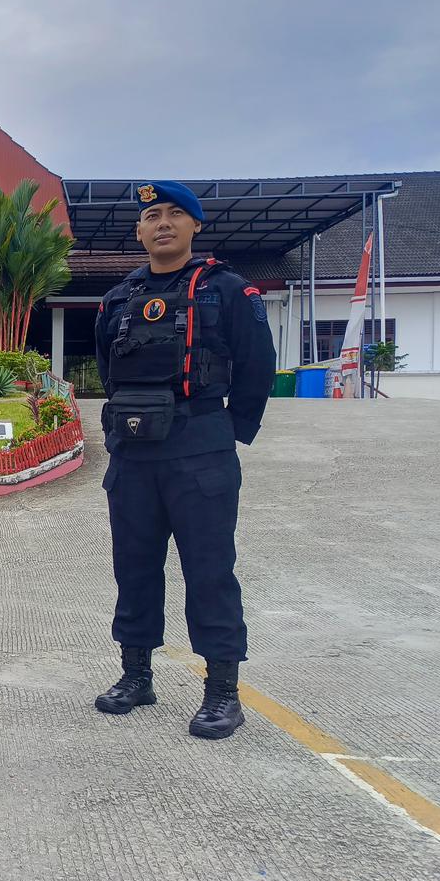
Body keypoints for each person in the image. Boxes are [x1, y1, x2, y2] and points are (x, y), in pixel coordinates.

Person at [93, 180, 275, 739]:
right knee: (134, 567)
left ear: (196, 225)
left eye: (176, 214)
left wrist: (226, 431)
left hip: (200, 450)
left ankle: (222, 693)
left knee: (209, 571)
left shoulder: (226, 290)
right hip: (133, 453)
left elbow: (257, 366)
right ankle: (136, 676)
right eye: (152, 216)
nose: (163, 224)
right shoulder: (118, 298)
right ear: (139, 231)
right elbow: (106, 367)